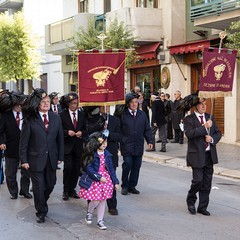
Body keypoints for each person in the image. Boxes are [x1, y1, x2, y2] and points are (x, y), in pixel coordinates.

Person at [20, 88, 64, 223]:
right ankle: (41, 211)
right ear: (38, 103)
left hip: (51, 159)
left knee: (50, 184)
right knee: (38, 187)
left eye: (48, 101)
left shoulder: (56, 117)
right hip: (35, 160)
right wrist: (24, 160)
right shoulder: (30, 119)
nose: (46, 103)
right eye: (43, 101)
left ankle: (41, 202)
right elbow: (24, 142)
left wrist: (60, 157)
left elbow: (60, 139)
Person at [183, 98, 221, 216]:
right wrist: (204, 127)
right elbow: (189, 134)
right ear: (196, 106)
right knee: (198, 181)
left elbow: (218, 132)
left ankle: (202, 207)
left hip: (209, 154)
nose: (204, 106)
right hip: (196, 155)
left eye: (205, 104)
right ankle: (191, 201)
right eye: (201, 104)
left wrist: (212, 139)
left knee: (207, 183)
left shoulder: (210, 117)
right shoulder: (189, 119)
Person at [78, 132, 119, 230]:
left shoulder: (107, 154)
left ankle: (100, 221)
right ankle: (89, 212)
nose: (105, 144)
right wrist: (98, 177)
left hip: (105, 180)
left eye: (106, 142)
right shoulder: (91, 154)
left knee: (102, 200)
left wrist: (116, 181)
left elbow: (111, 169)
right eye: (102, 142)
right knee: (96, 200)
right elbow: (89, 168)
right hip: (95, 180)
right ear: (96, 143)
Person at [0, 91, 32, 199]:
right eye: (17, 104)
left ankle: (25, 191)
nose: (19, 107)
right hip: (10, 148)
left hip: (25, 149)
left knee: (26, 172)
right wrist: (2, 142)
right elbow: (1, 131)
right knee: (10, 173)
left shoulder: (27, 115)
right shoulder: (5, 115)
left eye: (21, 104)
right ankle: (13, 192)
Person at [120, 92, 153, 195]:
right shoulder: (123, 115)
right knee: (127, 165)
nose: (134, 104)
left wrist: (150, 140)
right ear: (128, 103)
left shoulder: (142, 114)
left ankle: (132, 186)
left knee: (136, 166)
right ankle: (124, 186)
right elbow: (118, 130)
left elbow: (147, 129)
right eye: (132, 102)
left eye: (136, 102)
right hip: (126, 145)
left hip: (138, 145)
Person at [59, 93, 87, 201]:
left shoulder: (82, 114)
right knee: (68, 168)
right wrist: (67, 132)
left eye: (76, 103)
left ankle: (72, 189)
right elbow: (59, 130)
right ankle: (65, 190)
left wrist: (81, 133)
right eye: (72, 103)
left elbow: (86, 129)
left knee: (76, 169)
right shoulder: (62, 115)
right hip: (67, 146)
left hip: (78, 146)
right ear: (68, 104)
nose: (74, 105)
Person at [99, 106, 121, 215]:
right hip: (97, 154)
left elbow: (119, 136)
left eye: (106, 106)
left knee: (111, 179)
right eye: (102, 106)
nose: (105, 108)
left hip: (111, 154)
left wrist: (108, 134)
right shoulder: (96, 119)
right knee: (97, 179)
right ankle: (93, 201)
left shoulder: (115, 120)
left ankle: (112, 206)